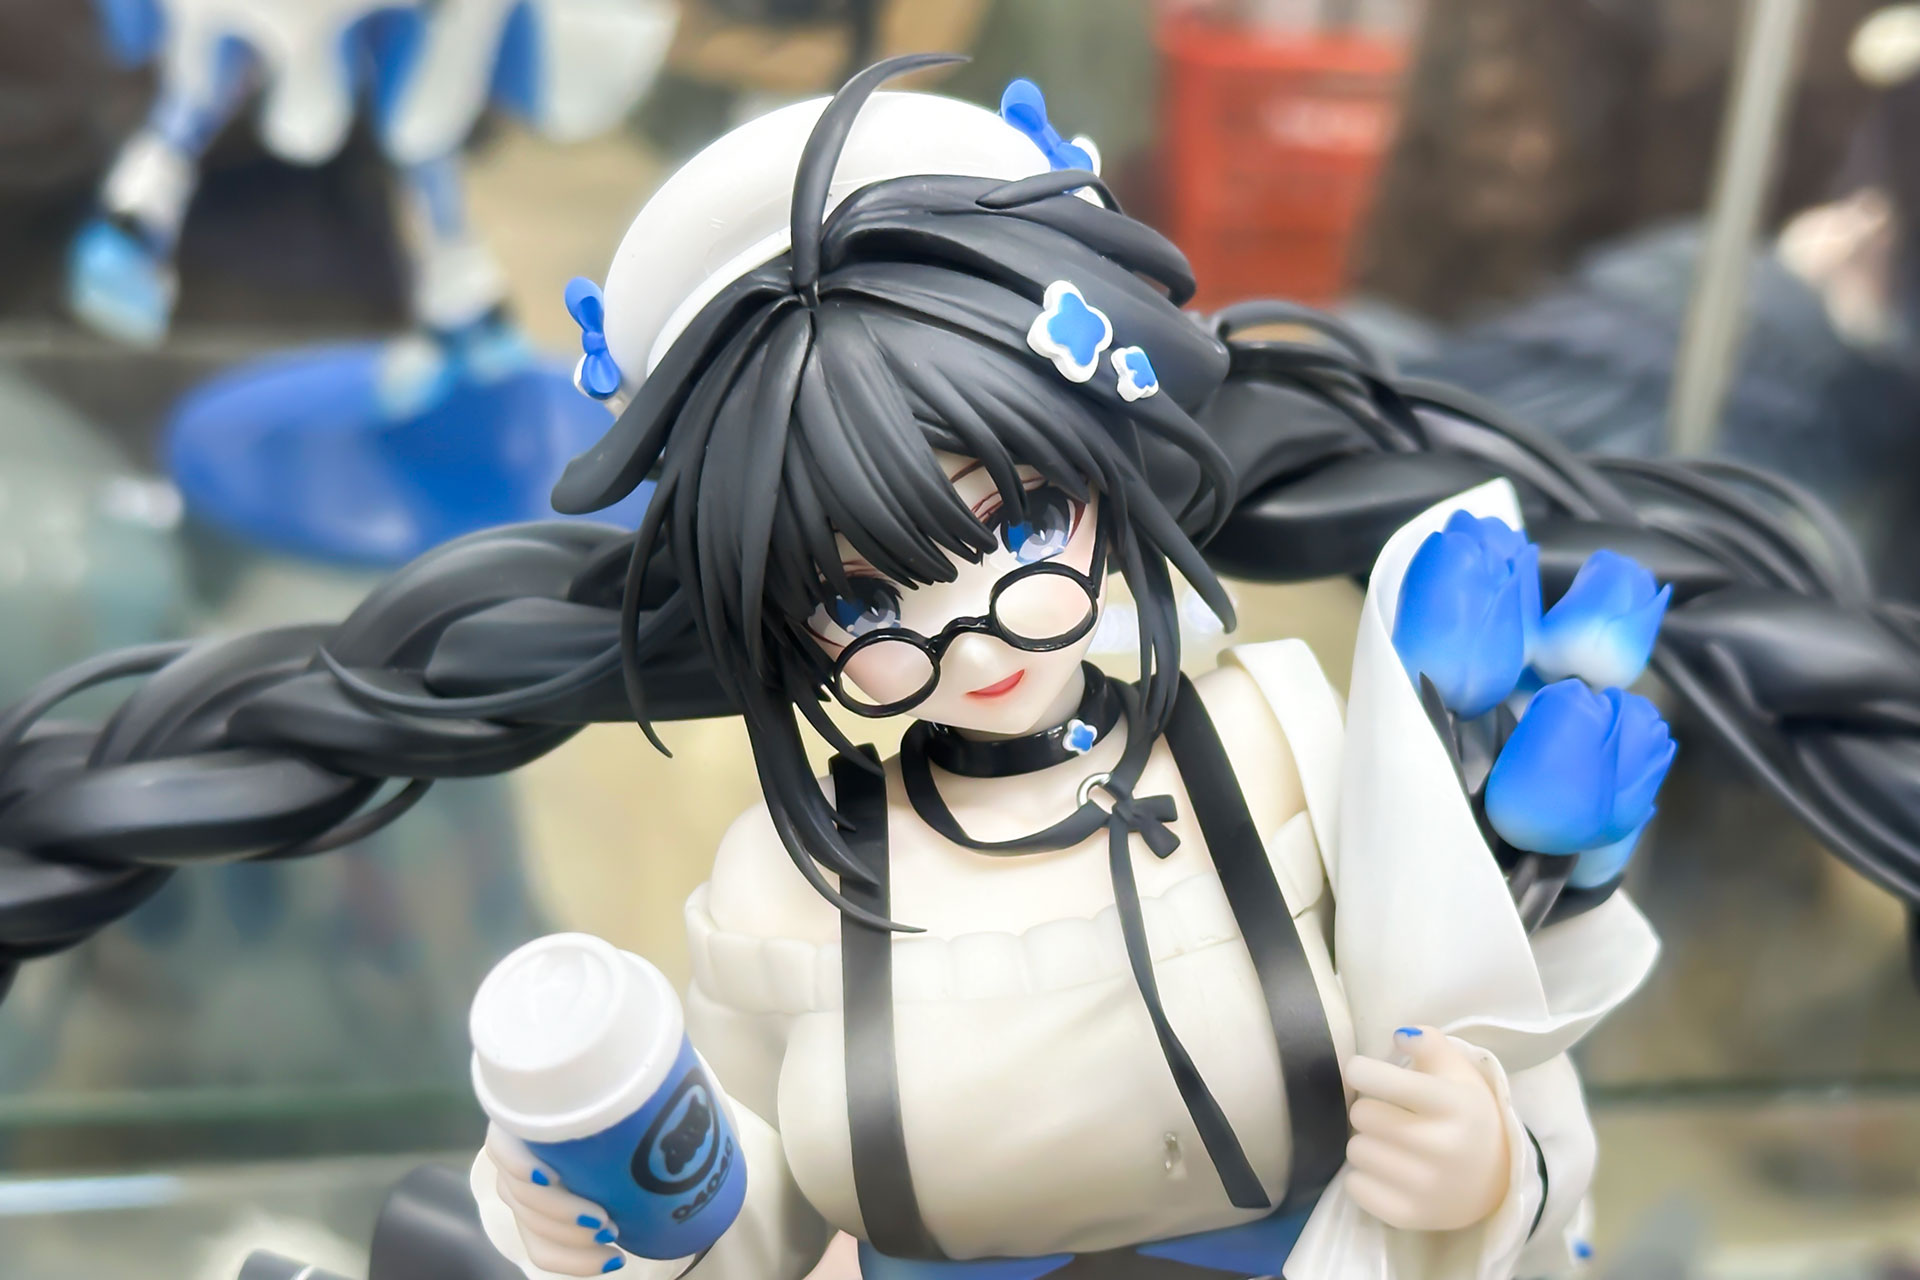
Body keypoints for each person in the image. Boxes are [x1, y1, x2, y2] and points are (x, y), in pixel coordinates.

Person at [5, 52, 1918, 1280]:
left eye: (1021, 530)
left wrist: (1482, 1174)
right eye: (866, 602)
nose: (975, 630)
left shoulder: (1275, 740)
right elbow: (746, 1204)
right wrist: (590, 1207)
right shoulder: (789, 890)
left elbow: (1480, 1025)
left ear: (1107, 480)